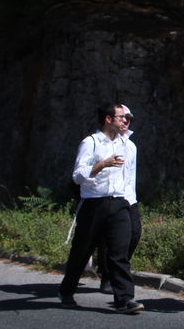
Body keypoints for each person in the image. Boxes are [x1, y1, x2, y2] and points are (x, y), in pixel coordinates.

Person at [59, 103, 144, 314]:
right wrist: (102, 164)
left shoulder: (127, 146)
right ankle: (67, 290)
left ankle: (124, 299)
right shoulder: (91, 143)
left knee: (119, 253)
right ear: (108, 119)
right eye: (121, 117)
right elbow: (78, 176)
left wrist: (129, 202)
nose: (126, 121)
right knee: (82, 251)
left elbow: (129, 177)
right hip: (94, 203)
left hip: (119, 203)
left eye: (127, 118)